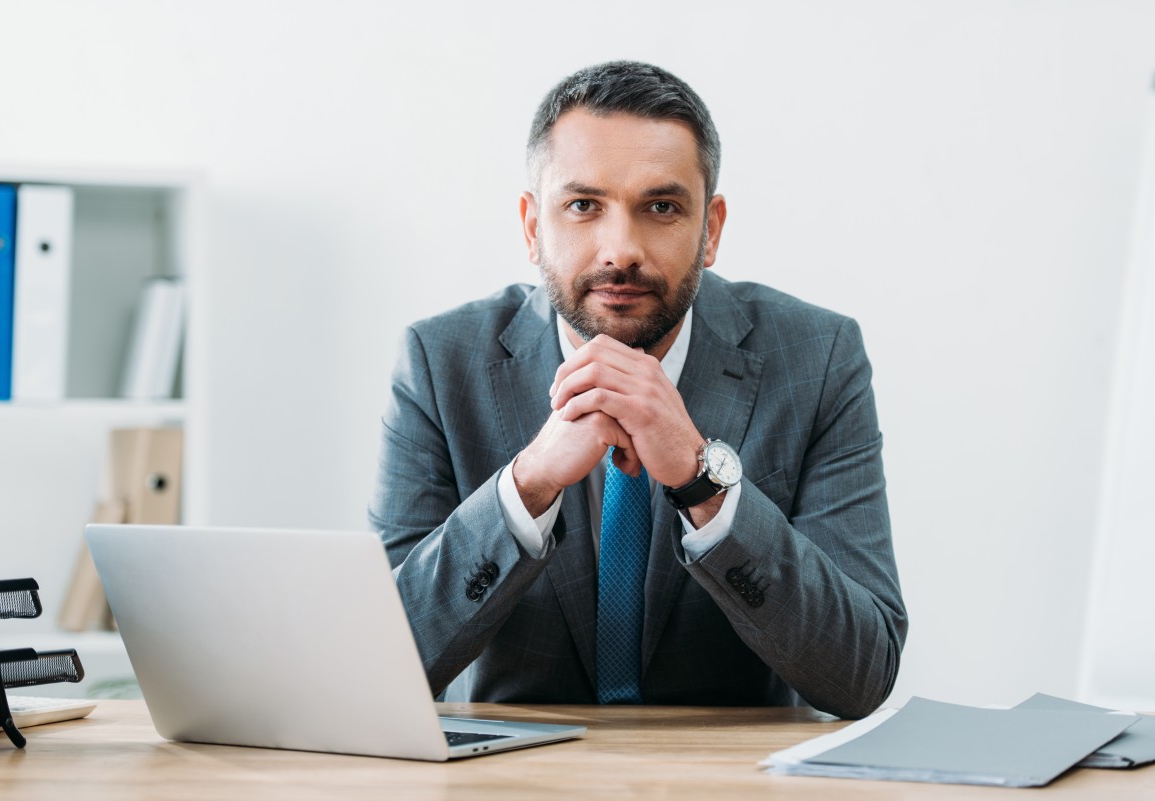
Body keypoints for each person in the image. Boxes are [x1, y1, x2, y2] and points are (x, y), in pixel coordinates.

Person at [369, 61, 907, 719]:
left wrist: (703, 482)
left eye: (660, 207)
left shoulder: (817, 359)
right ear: (533, 225)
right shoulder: (438, 362)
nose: (619, 249)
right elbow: (374, 667)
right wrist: (528, 485)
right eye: (583, 206)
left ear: (710, 229)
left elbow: (862, 675)